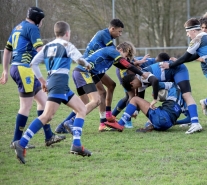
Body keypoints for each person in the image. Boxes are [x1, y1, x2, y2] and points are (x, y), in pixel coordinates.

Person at [12, 21, 93, 164]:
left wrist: (43, 81)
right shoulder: (67, 45)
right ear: (67, 33)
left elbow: (33, 64)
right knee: (47, 116)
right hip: (59, 82)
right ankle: (21, 143)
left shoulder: (47, 46)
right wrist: (88, 65)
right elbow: (79, 59)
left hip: (56, 82)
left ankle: (76, 144)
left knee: (81, 109)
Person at [0, 7, 65, 149]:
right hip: (24, 70)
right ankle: (16, 141)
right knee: (25, 107)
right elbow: (40, 50)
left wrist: (5, 70)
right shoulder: (32, 28)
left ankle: (49, 137)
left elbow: (7, 50)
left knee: (43, 101)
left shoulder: (18, 27)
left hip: (19, 68)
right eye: (42, 20)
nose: (42, 23)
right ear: (37, 19)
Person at [61, 42, 150, 133]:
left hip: (83, 72)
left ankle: (65, 125)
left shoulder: (111, 55)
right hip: (84, 72)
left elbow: (125, 64)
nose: (124, 58)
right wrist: (143, 74)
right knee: (96, 101)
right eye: (125, 55)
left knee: (86, 102)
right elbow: (126, 64)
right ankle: (71, 121)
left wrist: (135, 63)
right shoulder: (112, 51)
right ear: (120, 50)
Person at [55, 19, 124, 133]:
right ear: (112, 29)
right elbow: (113, 52)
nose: (120, 34)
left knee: (110, 86)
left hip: (92, 67)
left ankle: (62, 126)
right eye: (119, 31)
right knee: (99, 95)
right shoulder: (104, 34)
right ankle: (102, 122)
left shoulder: (107, 36)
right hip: (88, 68)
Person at [108, 57, 203, 134]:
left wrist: (154, 98)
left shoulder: (143, 75)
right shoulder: (171, 89)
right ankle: (193, 120)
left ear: (132, 83)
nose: (136, 90)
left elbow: (155, 81)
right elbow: (142, 100)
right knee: (184, 97)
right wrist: (136, 112)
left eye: (133, 88)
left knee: (186, 95)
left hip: (178, 70)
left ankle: (120, 124)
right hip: (167, 121)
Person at [105, 75, 191, 132]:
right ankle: (151, 126)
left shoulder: (172, 85)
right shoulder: (187, 98)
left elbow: (156, 83)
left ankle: (120, 124)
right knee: (153, 116)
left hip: (162, 116)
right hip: (168, 124)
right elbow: (189, 119)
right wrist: (175, 123)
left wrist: (155, 93)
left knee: (135, 99)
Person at [112, 52, 171, 128]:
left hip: (131, 74)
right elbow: (146, 81)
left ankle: (114, 117)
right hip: (126, 72)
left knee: (133, 96)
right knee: (131, 96)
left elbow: (144, 87)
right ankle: (126, 119)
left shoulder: (156, 65)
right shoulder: (153, 66)